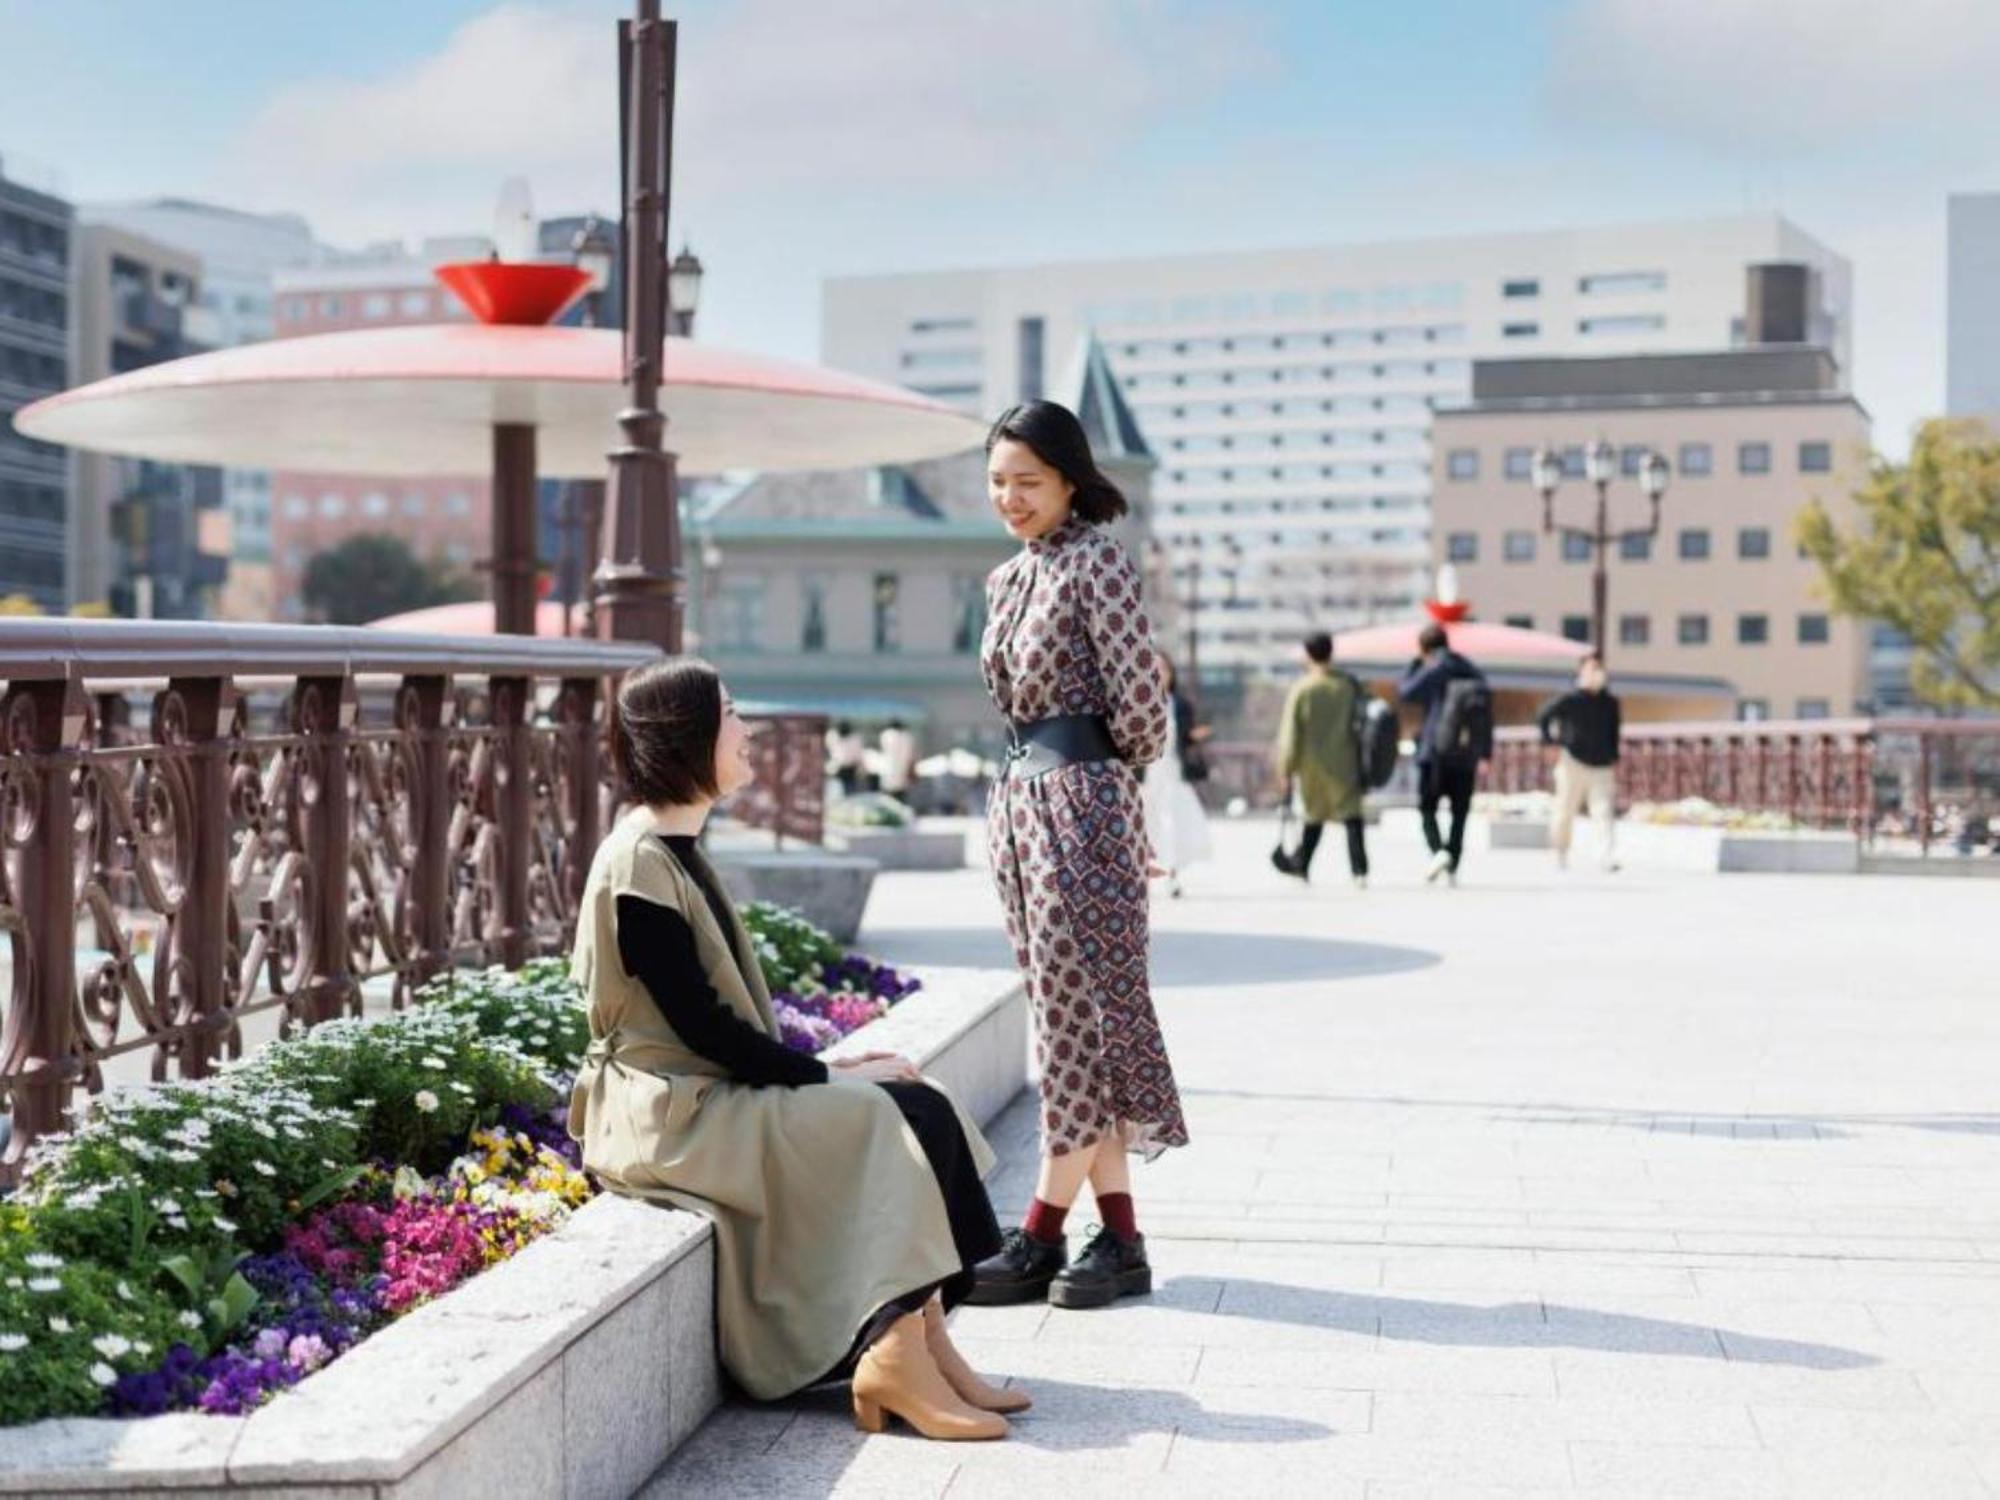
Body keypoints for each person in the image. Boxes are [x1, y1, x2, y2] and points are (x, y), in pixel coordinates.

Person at [568, 659, 1019, 1441]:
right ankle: (892, 1357)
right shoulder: (639, 862)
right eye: (732, 714)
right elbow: (702, 1028)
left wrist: (830, 1071)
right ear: (689, 737)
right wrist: (818, 1076)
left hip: (701, 1091)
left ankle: (926, 1343)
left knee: (921, 1101)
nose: (748, 733)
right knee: (889, 1118)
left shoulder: (671, 849)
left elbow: (711, 1030)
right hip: (668, 1115)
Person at [971, 399, 1189, 1312]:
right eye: (998, 483)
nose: (1012, 498)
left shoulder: (1099, 561)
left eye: (1028, 481)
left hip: (1083, 804)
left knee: (1082, 1017)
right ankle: (1123, 1241)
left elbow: (1142, 699)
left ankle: (1041, 1231)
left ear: (1070, 480)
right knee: (1069, 1013)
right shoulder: (1007, 577)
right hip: (1021, 805)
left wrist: (1102, 781)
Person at [1271, 630, 1370, 888]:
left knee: (1314, 816)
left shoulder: (1303, 688)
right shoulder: (1347, 685)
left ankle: (1302, 867)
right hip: (1345, 760)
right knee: (1351, 815)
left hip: (1311, 765)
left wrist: (1285, 768)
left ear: (1307, 654)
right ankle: (1359, 871)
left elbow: (1290, 732)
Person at [1398, 622, 1488, 886]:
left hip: (1435, 751)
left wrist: (1416, 664)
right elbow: (1485, 709)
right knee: (1460, 813)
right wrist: (1486, 751)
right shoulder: (1470, 668)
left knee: (1427, 808)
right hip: (1466, 752)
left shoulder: (1434, 668)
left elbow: (1406, 691)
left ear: (1425, 648)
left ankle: (1439, 852)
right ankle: (1452, 861)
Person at [1536, 653, 1622, 872]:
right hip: (1572, 762)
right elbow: (1543, 716)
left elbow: (1614, 732)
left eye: (1599, 669)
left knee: (1603, 811)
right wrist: (1550, 742)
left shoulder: (1610, 703)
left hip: (1602, 764)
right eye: (1591, 669)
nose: (1596, 674)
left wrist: (1614, 758)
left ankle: (1606, 855)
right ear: (1582, 672)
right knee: (1565, 810)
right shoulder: (1570, 698)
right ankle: (1560, 851)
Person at [1142, 657, 1214, 899]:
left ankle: (1171, 875)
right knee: (1146, 825)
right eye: (1156, 668)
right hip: (1145, 774)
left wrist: (1196, 736)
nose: (1161, 673)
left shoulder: (1180, 704)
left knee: (1171, 822)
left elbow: (1185, 737)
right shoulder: (1139, 702)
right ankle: (1143, 878)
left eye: (1164, 668)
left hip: (1172, 770)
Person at [879, 718, 918, 799]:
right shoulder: (907, 737)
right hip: (902, 770)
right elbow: (911, 756)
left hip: (889, 770)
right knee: (901, 797)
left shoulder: (886, 735)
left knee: (889, 798)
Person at [827, 719, 866, 797]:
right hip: (839, 769)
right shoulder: (833, 737)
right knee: (838, 791)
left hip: (850, 769)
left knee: (849, 792)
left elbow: (858, 756)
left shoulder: (854, 739)